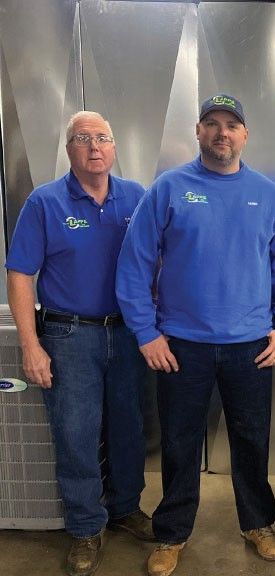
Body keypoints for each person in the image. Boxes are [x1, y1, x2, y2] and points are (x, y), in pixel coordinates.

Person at [115, 94, 275, 576]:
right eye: (212, 124)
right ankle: (172, 532)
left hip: (252, 347)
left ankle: (257, 523)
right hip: (181, 346)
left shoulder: (268, 194)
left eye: (232, 125)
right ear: (198, 132)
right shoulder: (169, 189)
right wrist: (146, 333)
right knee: (179, 442)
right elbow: (133, 264)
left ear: (245, 135)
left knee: (251, 439)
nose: (222, 133)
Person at [5, 111, 153, 576]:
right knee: (76, 434)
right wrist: (31, 343)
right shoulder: (44, 203)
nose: (94, 147)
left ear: (114, 148)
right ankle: (87, 527)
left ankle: (126, 507)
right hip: (68, 336)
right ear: (69, 149)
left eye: (103, 138)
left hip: (129, 334)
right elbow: (20, 273)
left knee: (130, 428)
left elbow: (159, 262)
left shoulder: (136, 198)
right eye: (83, 139)